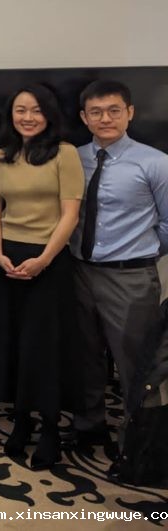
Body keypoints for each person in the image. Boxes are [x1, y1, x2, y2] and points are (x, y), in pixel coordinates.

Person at [0, 84, 83, 470]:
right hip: (7, 259)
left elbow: (70, 215)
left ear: (49, 115)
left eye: (36, 110)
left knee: (44, 347)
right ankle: (21, 420)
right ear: (11, 115)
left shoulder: (65, 154)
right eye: (20, 110)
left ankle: (50, 427)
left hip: (49, 261)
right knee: (12, 343)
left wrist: (43, 259)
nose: (28, 117)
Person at [68, 79, 168, 477]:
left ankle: (138, 450)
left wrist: (140, 251)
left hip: (130, 278)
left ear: (130, 113)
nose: (105, 119)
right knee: (84, 357)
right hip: (79, 272)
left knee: (136, 368)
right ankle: (89, 427)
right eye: (96, 112)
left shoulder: (155, 163)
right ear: (84, 117)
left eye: (113, 110)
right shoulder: (73, 158)